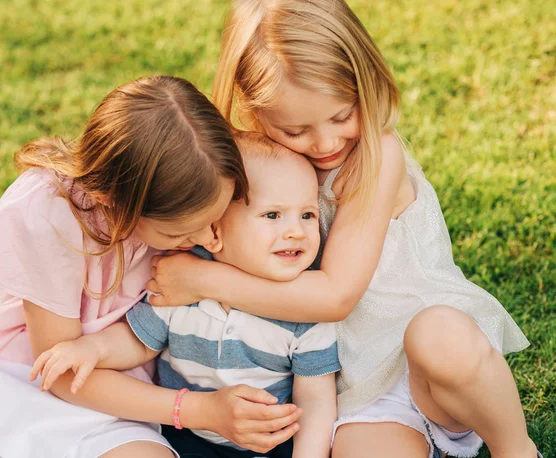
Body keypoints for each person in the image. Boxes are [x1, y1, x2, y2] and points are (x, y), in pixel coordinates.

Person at [145, 2, 542, 458]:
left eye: (340, 116)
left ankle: (516, 449)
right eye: (295, 130)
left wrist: (200, 280)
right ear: (255, 113)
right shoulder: (252, 162)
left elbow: (336, 296)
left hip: (420, 365)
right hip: (342, 382)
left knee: (439, 335)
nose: (326, 143)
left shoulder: (377, 156)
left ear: (366, 82)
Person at [0, 75, 302, 458]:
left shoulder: (198, 187)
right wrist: (201, 411)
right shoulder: (51, 214)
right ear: (115, 201)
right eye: (182, 233)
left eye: (214, 219)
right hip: (32, 375)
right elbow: (61, 373)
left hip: (127, 382)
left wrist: (205, 275)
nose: (208, 238)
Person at [29, 132, 340, 458]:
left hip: (269, 445)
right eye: (273, 215)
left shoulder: (303, 307)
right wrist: (91, 348)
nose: (296, 231)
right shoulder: (182, 284)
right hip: (184, 436)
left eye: (307, 215)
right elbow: (140, 341)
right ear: (215, 227)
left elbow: (316, 401)